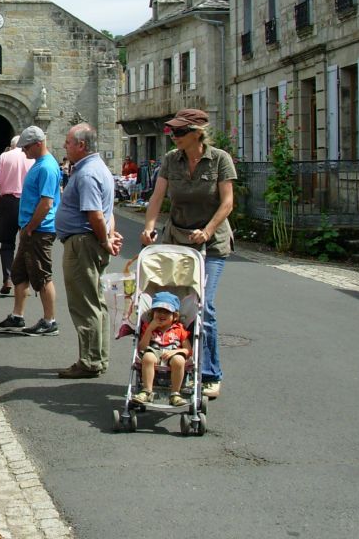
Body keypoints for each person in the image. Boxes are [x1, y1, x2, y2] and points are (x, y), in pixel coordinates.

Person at [140, 108, 236, 399]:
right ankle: (171, 362)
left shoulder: (219, 159)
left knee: (204, 306)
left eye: (180, 132)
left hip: (211, 242)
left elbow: (228, 202)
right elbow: (157, 197)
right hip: (177, 240)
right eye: (173, 131)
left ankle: (210, 373)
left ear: (197, 133)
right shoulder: (171, 160)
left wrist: (207, 230)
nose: (175, 137)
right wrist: (148, 228)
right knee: (172, 304)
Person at [54, 123, 122, 378]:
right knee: (95, 301)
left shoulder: (87, 173)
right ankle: (97, 357)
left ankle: (90, 360)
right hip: (88, 240)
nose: (65, 146)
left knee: (85, 303)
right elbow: (108, 211)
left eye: (69, 142)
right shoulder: (97, 169)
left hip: (82, 243)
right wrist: (108, 236)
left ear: (81, 145)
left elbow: (95, 213)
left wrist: (105, 240)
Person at [0, 127, 61, 336]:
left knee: (42, 275)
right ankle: (17, 316)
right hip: (31, 229)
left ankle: (50, 321)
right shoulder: (39, 164)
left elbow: (47, 203)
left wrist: (30, 226)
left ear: (38, 144)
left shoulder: (47, 167)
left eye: (26, 147)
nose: (23, 152)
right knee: (19, 272)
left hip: (39, 229)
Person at [0, 135, 32, 296]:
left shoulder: (4, 157)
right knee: (26, 242)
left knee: (7, 243)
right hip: (27, 202)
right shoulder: (31, 158)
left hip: (8, 203)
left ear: (12, 145)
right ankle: (24, 282)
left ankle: (7, 278)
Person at [133, 291, 191, 407]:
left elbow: (188, 350)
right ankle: (147, 391)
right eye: (158, 311)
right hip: (154, 350)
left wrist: (176, 351)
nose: (161, 315)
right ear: (152, 313)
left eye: (166, 312)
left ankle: (175, 394)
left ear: (175, 316)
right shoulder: (148, 327)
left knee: (179, 360)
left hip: (173, 353)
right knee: (147, 357)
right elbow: (142, 348)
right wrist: (150, 329)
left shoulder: (179, 329)